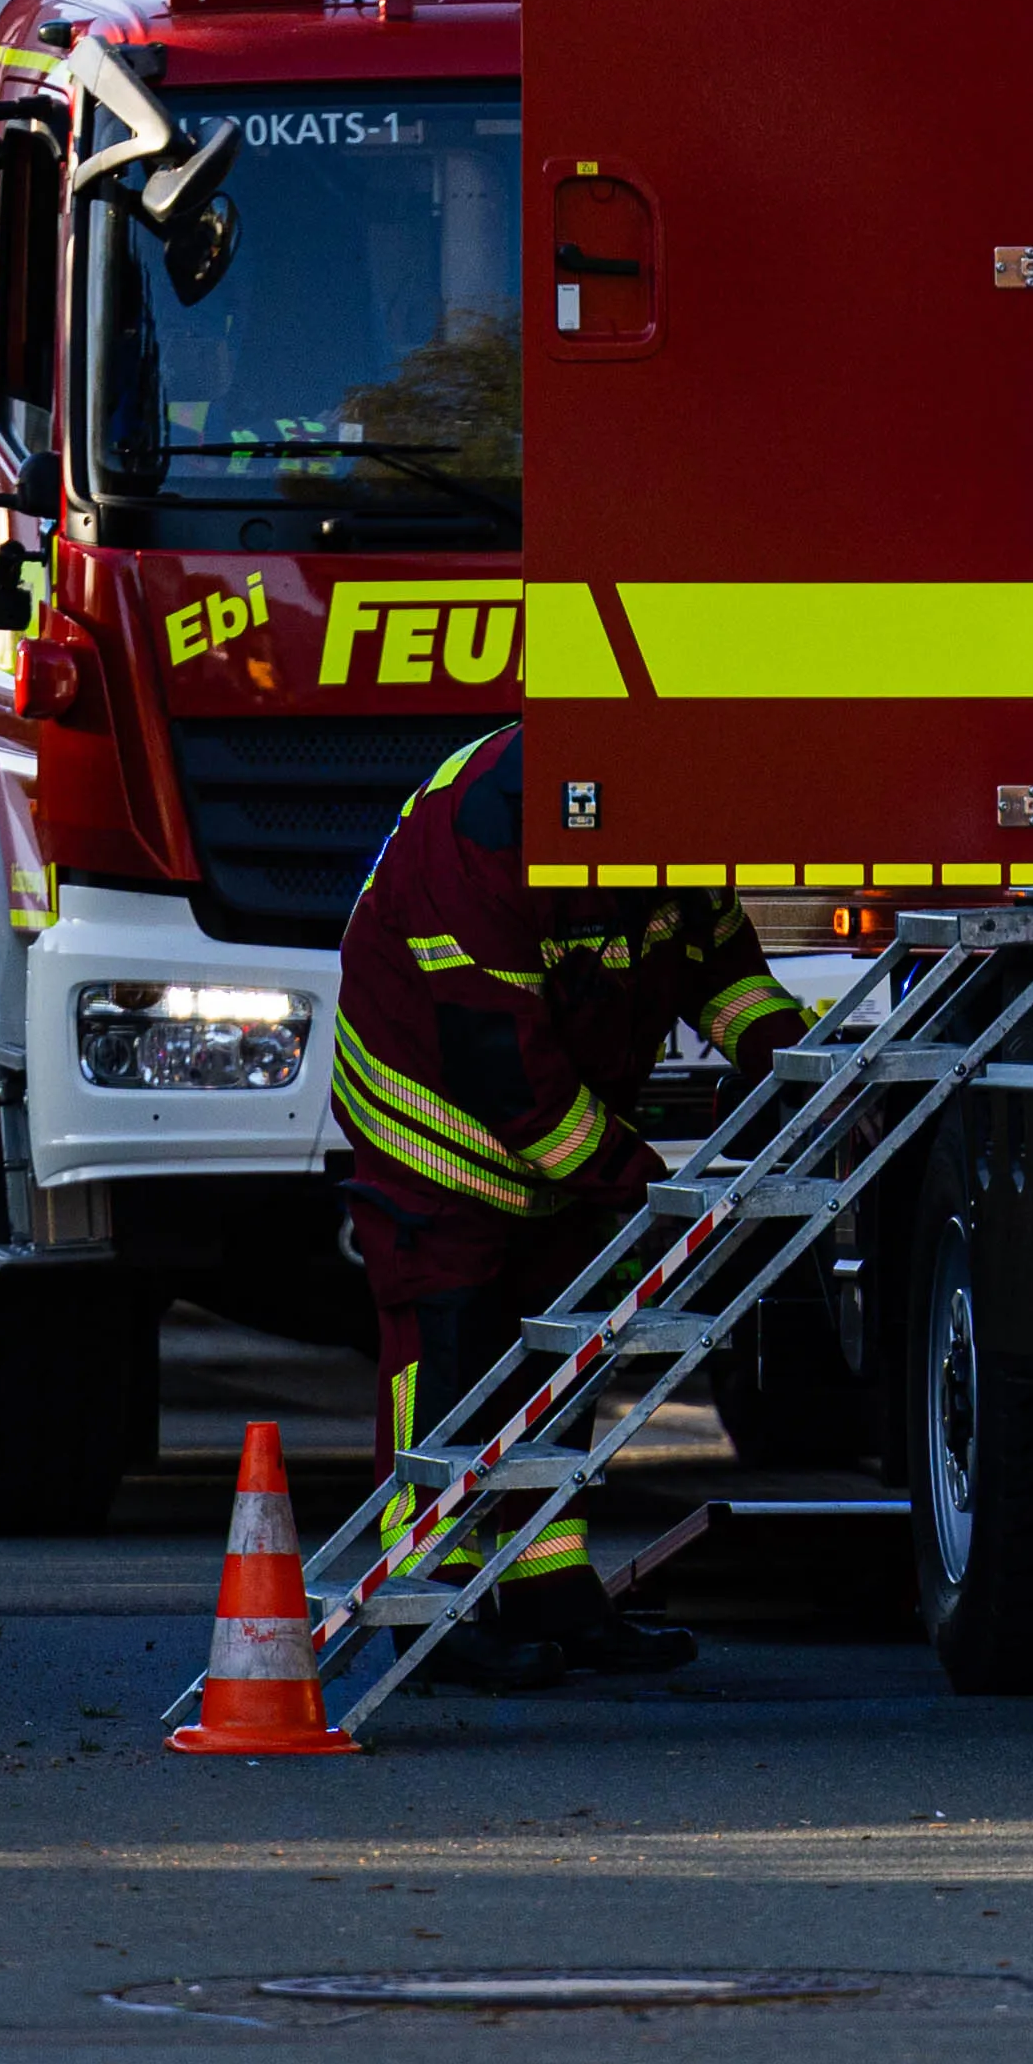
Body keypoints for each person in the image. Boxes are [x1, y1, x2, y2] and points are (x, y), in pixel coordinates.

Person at [323, 723, 804, 1687]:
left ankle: (546, 1584)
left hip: (556, 1105)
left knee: (564, 1338)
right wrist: (640, 1184)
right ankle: (427, 1602)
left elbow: (721, 966)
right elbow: (500, 1063)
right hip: (431, 1106)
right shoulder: (483, 832)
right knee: (450, 1336)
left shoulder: (666, 809)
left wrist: (787, 1057)